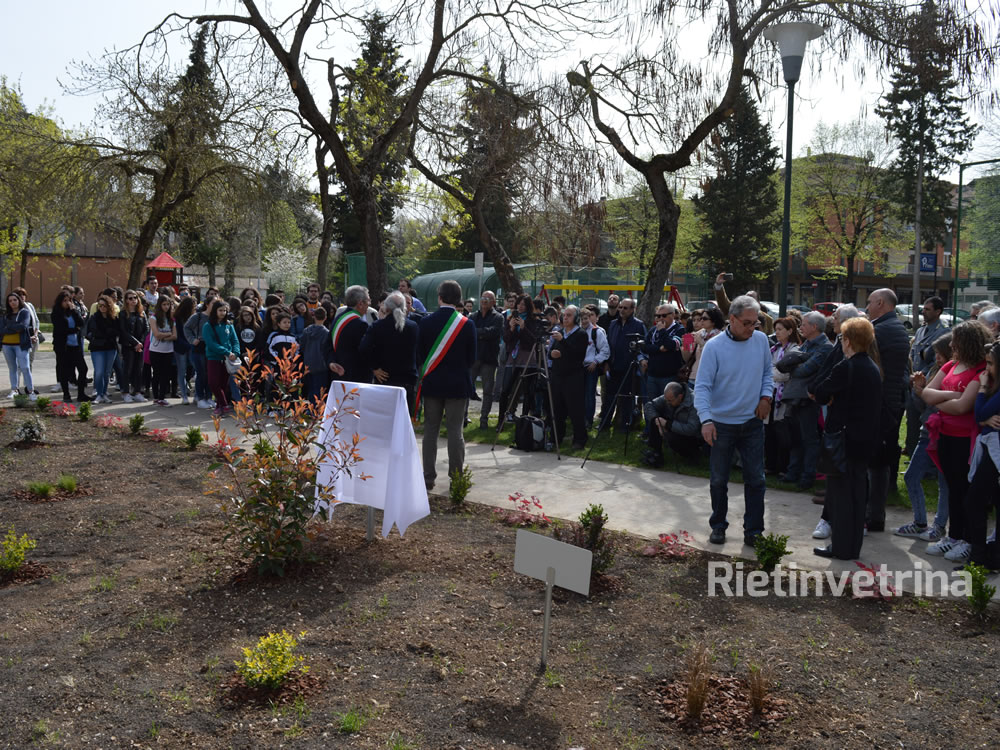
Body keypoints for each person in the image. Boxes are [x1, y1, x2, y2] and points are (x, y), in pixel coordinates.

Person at [693, 295, 773, 546]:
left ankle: (754, 531)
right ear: (733, 319)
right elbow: (703, 387)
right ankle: (718, 524)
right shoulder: (715, 347)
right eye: (747, 323)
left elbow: (767, 374)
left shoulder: (760, 341)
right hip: (721, 424)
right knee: (718, 479)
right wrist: (706, 420)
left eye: (756, 322)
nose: (753, 328)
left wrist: (766, 397)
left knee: (756, 479)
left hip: (752, 423)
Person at [913, 320, 990, 563]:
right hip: (944, 435)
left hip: (965, 440)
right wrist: (954, 395)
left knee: (965, 490)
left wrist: (943, 399)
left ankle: (967, 539)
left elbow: (962, 407)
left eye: (956, 340)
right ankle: (954, 535)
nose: (952, 344)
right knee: (953, 488)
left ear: (968, 343)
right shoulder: (950, 364)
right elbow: (926, 394)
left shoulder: (980, 370)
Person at [812, 317, 883, 560]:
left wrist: (831, 397)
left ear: (848, 340)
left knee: (841, 495)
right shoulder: (873, 367)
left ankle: (841, 548)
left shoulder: (846, 366)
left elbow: (819, 391)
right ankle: (852, 547)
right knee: (857, 495)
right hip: (864, 440)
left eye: (842, 338)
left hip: (843, 440)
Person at [418, 280, 477, 492]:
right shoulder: (467, 324)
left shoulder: (425, 322)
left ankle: (428, 477)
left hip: (433, 383)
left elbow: (421, 355)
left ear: (439, 297)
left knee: (430, 432)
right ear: (459, 299)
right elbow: (472, 358)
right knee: (455, 432)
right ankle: (457, 478)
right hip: (458, 384)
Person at [895, 334, 952, 542]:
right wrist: (918, 390)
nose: (936, 358)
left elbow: (944, 405)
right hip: (926, 431)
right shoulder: (934, 371)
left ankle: (939, 525)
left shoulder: (954, 373)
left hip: (944, 433)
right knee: (911, 476)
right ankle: (920, 522)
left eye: (939, 353)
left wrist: (925, 394)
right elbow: (923, 407)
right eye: (935, 353)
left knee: (943, 481)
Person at [865, 288, 911, 532]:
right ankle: (874, 513)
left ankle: (872, 514)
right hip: (891, 403)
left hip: (880, 405)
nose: (867, 306)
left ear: (880, 302)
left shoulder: (879, 330)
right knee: (880, 461)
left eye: (870, 302)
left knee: (874, 463)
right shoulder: (898, 328)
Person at [776, 311, 834, 490]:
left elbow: (803, 370)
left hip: (808, 398)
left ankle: (807, 476)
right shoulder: (807, 344)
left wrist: (796, 363)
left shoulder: (825, 347)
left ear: (814, 327)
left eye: (804, 324)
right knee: (795, 438)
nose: (800, 327)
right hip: (795, 397)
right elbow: (786, 363)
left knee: (809, 438)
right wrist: (797, 362)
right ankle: (793, 472)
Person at [967, 344, 1000, 568]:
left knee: (975, 501)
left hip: (995, 452)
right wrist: (983, 421)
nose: (985, 369)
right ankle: (986, 557)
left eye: (990, 363)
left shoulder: (990, 387)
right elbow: (980, 418)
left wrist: (980, 389)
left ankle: (981, 558)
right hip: (990, 448)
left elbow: (979, 412)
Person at [360, 291, 419, 414]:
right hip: (407, 379)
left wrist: (374, 368)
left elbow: (364, 348)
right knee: (403, 420)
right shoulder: (413, 327)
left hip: (385, 379)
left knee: (384, 419)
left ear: (386, 308)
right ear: (404, 308)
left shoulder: (377, 326)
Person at [906, 296, 949, 455]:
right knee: (911, 418)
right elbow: (913, 355)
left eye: (928, 309)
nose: (923, 312)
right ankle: (911, 451)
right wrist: (911, 376)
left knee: (926, 420)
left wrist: (920, 375)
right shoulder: (920, 330)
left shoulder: (943, 333)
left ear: (938, 312)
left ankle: (927, 458)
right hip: (914, 383)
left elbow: (938, 361)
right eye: (923, 308)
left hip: (929, 382)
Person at [603, 297, 647, 432]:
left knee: (628, 398)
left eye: (625, 308)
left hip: (629, 368)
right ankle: (604, 424)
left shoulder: (638, 325)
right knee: (609, 397)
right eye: (620, 307)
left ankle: (625, 425)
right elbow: (608, 344)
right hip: (613, 366)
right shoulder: (613, 324)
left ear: (633, 310)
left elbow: (643, 346)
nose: (621, 310)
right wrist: (606, 362)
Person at [765, 317, 802, 476]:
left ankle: (783, 467)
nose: (777, 333)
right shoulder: (775, 348)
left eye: (780, 329)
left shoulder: (795, 350)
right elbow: (768, 368)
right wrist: (772, 372)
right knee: (769, 432)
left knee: (783, 434)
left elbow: (785, 374)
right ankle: (770, 465)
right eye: (776, 329)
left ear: (790, 331)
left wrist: (771, 372)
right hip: (771, 394)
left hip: (783, 396)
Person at [548, 305, 589, 449]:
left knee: (575, 409)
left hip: (573, 376)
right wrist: (552, 354)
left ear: (576, 318)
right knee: (557, 408)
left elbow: (578, 355)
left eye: (569, 315)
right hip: (558, 375)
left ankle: (579, 440)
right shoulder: (558, 332)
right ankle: (555, 438)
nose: (565, 318)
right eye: (564, 315)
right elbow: (551, 352)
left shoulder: (581, 334)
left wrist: (563, 342)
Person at [642, 381, 703, 466]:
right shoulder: (669, 396)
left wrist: (667, 424)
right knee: (655, 419)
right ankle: (656, 453)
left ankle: (693, 455)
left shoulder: (694, 402)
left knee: (671, 437)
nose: (667, 402)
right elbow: (649, 406)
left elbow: (692, 429)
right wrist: (658, 421)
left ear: (680, 396)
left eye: (670, 401)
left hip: (692, 437)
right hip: (674, 426)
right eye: (666, 400)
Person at [499, 294, 539, 420]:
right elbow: (506, 338)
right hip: (513, 357)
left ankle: (525, 418)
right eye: (519, 304)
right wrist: (511, 328)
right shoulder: (510, 318)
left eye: (523, 304)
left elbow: (533, 340)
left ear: (528, 306)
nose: (520, 307)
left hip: (527, 357)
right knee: (505, 389)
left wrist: (523, 328)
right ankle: (502, 418)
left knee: (527, 391)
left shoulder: (533, 320)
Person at [468, 291, 504, 428]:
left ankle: (484, 419)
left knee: (488, 391)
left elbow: (494, 332)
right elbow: (470, 332)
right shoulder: (473, 316)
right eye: (483, 298)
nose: (485, 301)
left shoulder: (498, 317)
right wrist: (483, 333)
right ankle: (464, 417)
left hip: (489, 359)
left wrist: (478, 333)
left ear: (494, 302)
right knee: (467, 388)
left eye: (488, 299)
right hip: (474, 358)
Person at [51, 290, 91, 403]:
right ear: (60, 302)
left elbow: (81, 323)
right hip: (63, 347)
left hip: (75, 345)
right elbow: (60, 330)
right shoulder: (56, 313)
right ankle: (66, 394)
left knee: (83, 369)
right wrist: (75, 329)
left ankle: (81, 394)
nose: (67, 303)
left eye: (69, 300)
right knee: (64, 371)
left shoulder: (72, 312)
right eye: (65, 301)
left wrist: (74, 310)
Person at [202, 299, 241, 416]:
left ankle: (219, 407)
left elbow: (235, 340)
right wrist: (227, 352)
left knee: (224, 384)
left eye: (225, 310)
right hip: (214, 358)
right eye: (220, 310)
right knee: (213, 382)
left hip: (228, 360)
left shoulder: (229, 325)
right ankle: (224, 405)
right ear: (215, 311)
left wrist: (236, 352)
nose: (223, 313)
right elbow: (210, 343)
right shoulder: (208, 326)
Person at [640, 303, 685, 403]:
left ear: (672, 315)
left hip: (669, 376)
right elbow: (645, 347)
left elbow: (670, 345)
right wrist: (659, 349)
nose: (660, 319)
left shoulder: (680, 330)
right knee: (651, 404)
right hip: (652, 375)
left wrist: (662, 331)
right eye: (658, 316)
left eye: (664, 316)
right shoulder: (653, 330)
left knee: (667, 406)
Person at [331, 285, 373, 384]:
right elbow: (365, 351)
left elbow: (328, 344)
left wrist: (331, 362)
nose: (369, 304)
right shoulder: (360, 324)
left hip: (337, 374)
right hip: (355, 378)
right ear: (360, 303)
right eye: (368, 300)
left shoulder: (338, 318)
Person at [85, 294, 120, 404]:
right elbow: (89, 332)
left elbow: (116, 331)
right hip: (97, 348)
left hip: (110, 348)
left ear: (109, 306)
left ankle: (104, 394)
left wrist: (107, 333)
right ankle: (99, 394)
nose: (102, 308)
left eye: (104, 306)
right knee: (99, 372)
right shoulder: (94, 318)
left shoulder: (114, 318)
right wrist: (99, 336)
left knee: (107, 373)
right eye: (100, 306)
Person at [299, 305, 337, 404]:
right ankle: (317, 410)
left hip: (308, 364)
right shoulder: (326, 333)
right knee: (320, 390)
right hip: (321, 365)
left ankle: (310, 409)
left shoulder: (306, 331)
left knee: (310, 388)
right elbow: (327, 349)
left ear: (314, 317)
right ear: (325, 317)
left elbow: (301, 346)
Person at [2, 292, 36, 400]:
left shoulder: (24, 312)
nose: (13, 302)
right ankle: (14, 390)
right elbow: (1, 329)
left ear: (19, 301)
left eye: (15, 300)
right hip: (7, 345)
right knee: (12, 368)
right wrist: (13, 328)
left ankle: (30, 391)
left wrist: (9, 326)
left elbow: (23, 326)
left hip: (21, 344)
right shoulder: (5, 315)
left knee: (25, 367)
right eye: (10, 301)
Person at [582, 304, 610, 430]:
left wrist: (595, 362)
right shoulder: (575, 330)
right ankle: (578, 419)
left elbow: (605, 350)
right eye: (581, 318)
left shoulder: (597, 332)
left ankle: (588, 421)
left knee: (589, 395)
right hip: (577, 368)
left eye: (587, 318)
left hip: (590, 367)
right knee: (578, 395)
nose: (584, 321)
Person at [118, 291, 149, 403]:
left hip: (139, 346)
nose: (133, 300)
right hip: (128, 345)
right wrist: (135, 342)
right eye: (130, 298)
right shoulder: (123, 314)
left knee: (139, 369)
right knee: (128, 369)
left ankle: (137, 392)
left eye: (135, 298)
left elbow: (146, 329)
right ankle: (126, 392)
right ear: (126, 300)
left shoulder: (141, 313)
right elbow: (123, 331)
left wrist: (140, 343)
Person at [148, 295, 177, 406]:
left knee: (165, 375)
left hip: (168, 351)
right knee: (156, 374)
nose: (166, 307)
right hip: (155, 350)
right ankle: (156, 397)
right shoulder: (153, 318)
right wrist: (168, 334)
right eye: (164, 304)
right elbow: (156, 335)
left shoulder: (171, 320)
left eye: (168, 304)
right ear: (160, 305)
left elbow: (175, 336)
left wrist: (164, 336)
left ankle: (162, 397)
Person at [684, 306, 725, 383]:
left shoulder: (721, 336)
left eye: (704, 319)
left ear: (714, 321)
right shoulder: (698, 334)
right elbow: (686, 358)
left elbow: (714, 358)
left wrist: (702, 343)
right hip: (693, 376)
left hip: (711, 378)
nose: (701, 321)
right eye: (701, 318)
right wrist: (685, 346)